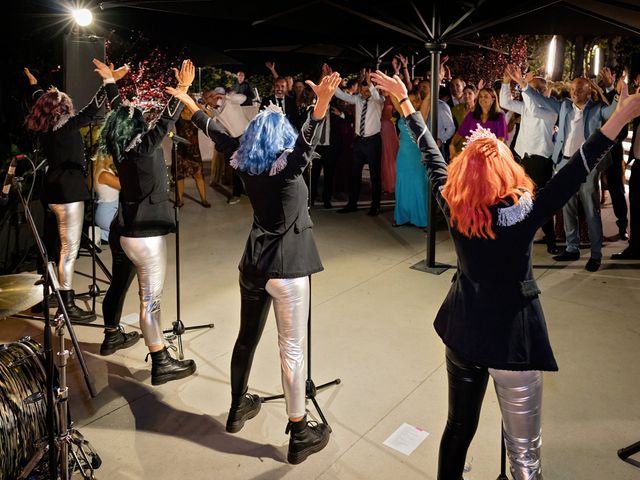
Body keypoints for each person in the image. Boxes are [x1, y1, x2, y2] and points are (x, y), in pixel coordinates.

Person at [371, 69, 640, 480]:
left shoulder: (454, 206)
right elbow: (579, 167)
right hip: (514, 341)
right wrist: (619, 117)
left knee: (457, 429)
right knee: (524, 456)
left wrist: (406, 101)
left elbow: (430, 152)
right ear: (505, 172)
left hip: (465, 333)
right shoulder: (527, 213)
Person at [168, 71, 343, 465]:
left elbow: (214, 129)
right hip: (289, 268)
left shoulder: (243, 160)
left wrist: (187, 100)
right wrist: (321, 104)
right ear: (279, 138)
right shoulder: (288, 168)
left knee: (246, 338)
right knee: (291, 350)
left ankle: (236, 408)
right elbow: (307, 139)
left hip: (254, 264)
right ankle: (299, 432)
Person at [97, 59, 197, 384]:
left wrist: (111, 82)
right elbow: (165, 123)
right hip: (145, 236)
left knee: (130, 290)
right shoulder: (142, 145)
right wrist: (181, 90)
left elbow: (118, 108)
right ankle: (161, 361)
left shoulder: (120, 141)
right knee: (150, 301)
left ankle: (114, 334)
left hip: (126, 230)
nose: (140, 110)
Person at [24, 62, 127, 323]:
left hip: (51, 191)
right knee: (69, 248)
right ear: (63, 108)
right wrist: (108, 81)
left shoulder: (46, 127)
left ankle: (47, 293)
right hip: (69, 192)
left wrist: (35, 85)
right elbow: (94, 109)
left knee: (51, 245)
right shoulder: (69, 126)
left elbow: (41, 100)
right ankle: (66, 303)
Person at [519, 72, 617, 272]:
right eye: (572, 89)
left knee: (591, 210)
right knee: (567, 208)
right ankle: (572, 248)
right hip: (563, 163)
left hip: (587, 166)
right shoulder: (564, 106)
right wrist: (524, 86)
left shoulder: (598, 110)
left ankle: (596, 255)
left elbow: (614, 113)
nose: (574, 92)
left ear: (589, 92)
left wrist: (611, 90)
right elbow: (540, 99)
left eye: (579, 89)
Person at [501, 65, 559, 254]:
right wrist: (506, 82)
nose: (530, 91)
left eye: (534, 88)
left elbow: (534, 108)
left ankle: (550, 240)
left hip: (541, 161)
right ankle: (523, 237)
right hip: (524, 158)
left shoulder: (550, 111)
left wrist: (521, 83)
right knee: (521, 199)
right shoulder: (526, 105)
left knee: (540, 201)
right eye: (530, 88)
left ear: (544, 92)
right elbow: (505, 102)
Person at [334, 70, 386, 215]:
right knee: (354, 174)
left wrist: (370, 83)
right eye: (362, 91)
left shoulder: (378, 101)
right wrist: (330, 78)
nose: (364, 94)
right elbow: (340, 94)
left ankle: (375, 206)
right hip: (358, 142)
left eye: (367, 90)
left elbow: (375, 96)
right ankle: (352, 204)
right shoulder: (357, 99)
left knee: (375, 175)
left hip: (373, 141)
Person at [391, 90, 429, 228]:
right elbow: (393, 96)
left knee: (418, 185)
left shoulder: (420, 116)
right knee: (403, 184)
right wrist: (391, 82)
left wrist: (438, 80)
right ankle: (402, 217)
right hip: (403, 156)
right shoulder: (402, 113)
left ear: (419, 101)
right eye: (410, 100)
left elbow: (428, 99)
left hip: (417, 156)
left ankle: (421, 220)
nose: (412, 103)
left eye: (415, 100)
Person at [449, 86, 507, 157]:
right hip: (472, 154)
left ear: (493, 99)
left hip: (492, 155)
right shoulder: (471, 115)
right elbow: (460, 132)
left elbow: (501, 139)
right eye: (480, 96)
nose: (482, 99)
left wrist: (489, 152)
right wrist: (452, 145)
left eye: (485, 96)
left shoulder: (500, 116)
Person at [172, 107, 210, 208]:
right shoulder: (177, 114)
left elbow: (210, 116)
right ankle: (180, 200)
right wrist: (171, 136)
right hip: (180, 149)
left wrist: (200, 107)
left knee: (198, 174)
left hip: (194, 150)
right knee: (179, 175)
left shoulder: (196, 115)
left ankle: (204, 199)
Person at [93, 151, 120, 243]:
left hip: (108, 210)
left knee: (118, 236)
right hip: (107, 212)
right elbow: (123, 185)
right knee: (123, 236)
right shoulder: (104, 174)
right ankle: (93, 233)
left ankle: (98, 234)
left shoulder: (106, 171)